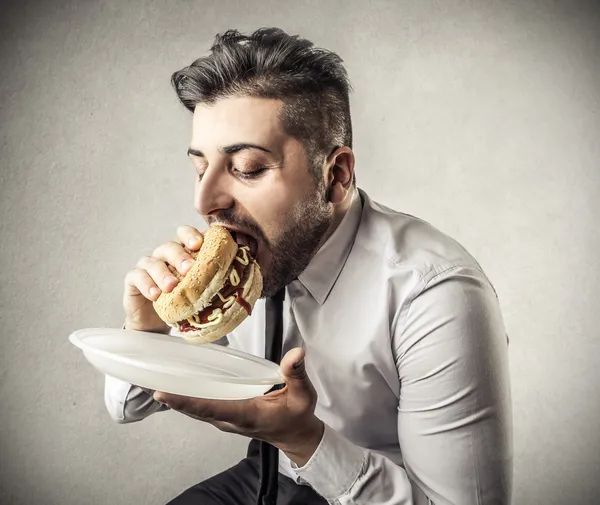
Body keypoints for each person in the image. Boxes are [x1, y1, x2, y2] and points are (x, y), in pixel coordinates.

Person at [105, 27, 513, 505]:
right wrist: (147, 332)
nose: (205, 201)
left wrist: (304, 439)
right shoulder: (238, 269)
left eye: (249, 168)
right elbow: (128, 406)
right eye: (200, 168)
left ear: (335, 176)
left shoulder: (435, 293)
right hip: (270, 470)